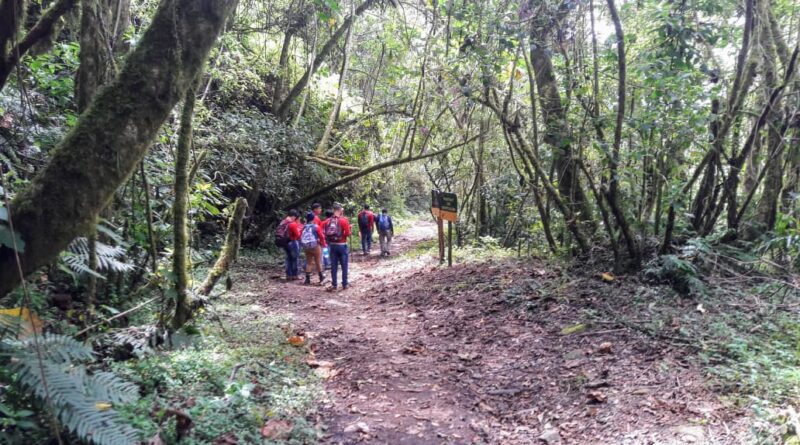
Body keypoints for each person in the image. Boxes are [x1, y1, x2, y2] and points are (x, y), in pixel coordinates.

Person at [323, 202, 351, 291]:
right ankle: (344, 284)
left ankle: (334, 284)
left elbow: (324, 232)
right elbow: (347, 233)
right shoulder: (344, 220)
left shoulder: (327, 221)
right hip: (342, 245)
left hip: (332, 246)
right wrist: (349, 229)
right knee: (344, 265)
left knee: (334, 266)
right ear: (340, 210)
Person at [276, 209, 303, 280]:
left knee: (288, 258)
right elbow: (297, 235)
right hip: (292, 242)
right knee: (295, 258)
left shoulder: (283, 221)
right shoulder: (292, 223)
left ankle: (288, 275)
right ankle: (295, 275)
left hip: (284, 242)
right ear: (293, 216)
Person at [301, 211, 327, 285]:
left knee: (309, 262)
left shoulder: (304, 226)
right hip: (315, 246)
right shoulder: (316, 226)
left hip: (306, 246)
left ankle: (307, 279)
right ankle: (321, 277)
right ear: (313, 218)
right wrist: (324, 244)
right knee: (318, 261)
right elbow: (321, 236)